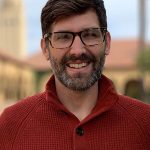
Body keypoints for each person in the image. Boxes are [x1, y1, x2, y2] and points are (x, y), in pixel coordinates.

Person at [0, 0, 150, 149]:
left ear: (107, 43)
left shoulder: (145, 124)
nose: (77, 50)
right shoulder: (10, 125)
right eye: (64, 37)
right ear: (45, 48)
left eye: (90, 35)